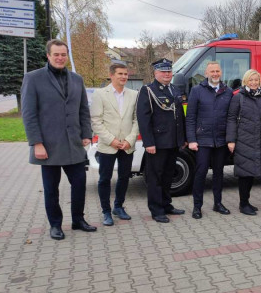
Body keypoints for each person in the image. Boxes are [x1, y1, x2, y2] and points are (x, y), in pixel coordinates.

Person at [21, 39, 97, 240]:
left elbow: (83, 109)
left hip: (73, 145)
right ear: (48, 55)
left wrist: (86, 133)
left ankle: (78, 220)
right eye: (56, 54)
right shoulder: (33, 78)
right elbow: (29, 114)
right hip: (48, 146)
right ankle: (55, 225)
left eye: (63, 54)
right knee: (51, 189)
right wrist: (36, 143)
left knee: (79, 184)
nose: (60, 58)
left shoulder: (76, 79)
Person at [136, 58, 186, 223]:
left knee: (168, 176)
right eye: (163, 71)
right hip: (157, 143)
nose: (167, 74)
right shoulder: (148, 91)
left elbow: (180, 117)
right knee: (155, 178)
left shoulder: (174, 89)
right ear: (156, 73)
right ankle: (156, 210)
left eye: (169, 71)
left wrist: (182, 138)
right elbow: (143, 119)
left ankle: (166, 204)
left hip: (173, 142)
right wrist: (148, 142)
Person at [90, 63, 139, 226]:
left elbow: (136, 120)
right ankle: (106, 211)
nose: (124, 77)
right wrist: (111, 140)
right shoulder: (100, 94)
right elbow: (96, 121)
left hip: (126, 145)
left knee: (124, 177)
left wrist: (129, 140)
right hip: (108, 145)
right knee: (105, 179)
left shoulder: (134, 94)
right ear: (111, 75)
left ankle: (118, 207)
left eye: (126, 74)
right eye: (120, 74)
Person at [186, 61, 233, 219]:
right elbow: (191, 117)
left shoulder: (228, 91)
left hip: (221, 141)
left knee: (219, 174)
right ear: (206, 73)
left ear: (221, 72)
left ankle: (217, 203)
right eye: (212, 71)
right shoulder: (197, 90)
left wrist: (230, 139)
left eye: (217, 71)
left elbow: (231, 118)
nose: (215, 74)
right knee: (200, 174)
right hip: (203, 140)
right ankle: (197, 206)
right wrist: (192, 139)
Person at [227, 69, 261, 215]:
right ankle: (243, 204)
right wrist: (230, 140)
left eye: (256, 80)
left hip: (259, 142)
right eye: (251, 80)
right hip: (243, 141)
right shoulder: (238, 98)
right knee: (245, 174)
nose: (254, 83)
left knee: (252, 173)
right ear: (245, 81)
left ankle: (246, 202)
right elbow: (231, 119)